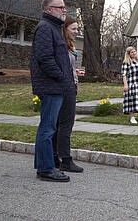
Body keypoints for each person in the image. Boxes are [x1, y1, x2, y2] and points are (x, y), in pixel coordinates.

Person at [30, 0, 75, 182]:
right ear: (48, 9)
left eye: (64, 7)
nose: (64, 10)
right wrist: (61, 76)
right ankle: (46, 169)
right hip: (51, 87)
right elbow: (45, 58)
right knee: (47, 128)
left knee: (49, 128)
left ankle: (45, 165)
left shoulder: (55, 28)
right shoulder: (45, 28)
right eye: (60, 7)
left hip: (57, 86)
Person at [51, 16, 83, 173]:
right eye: (74, 29)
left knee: (59, 125)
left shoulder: (69, 46)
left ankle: (55, 157)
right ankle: (65, 160)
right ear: (64, 29)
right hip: (65, 87)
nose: (76, 32)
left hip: (70, 85)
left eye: (77, 29)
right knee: (65, 124)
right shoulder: (62, 46)